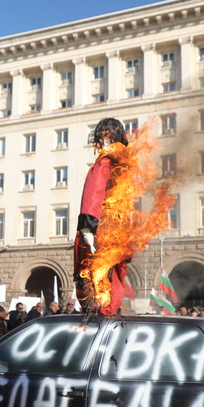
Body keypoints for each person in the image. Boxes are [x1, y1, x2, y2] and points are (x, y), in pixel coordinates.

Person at [74, 117, 134, 314]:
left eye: (101, 137)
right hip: (115, 235)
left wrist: (87, 228)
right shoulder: (123, 168)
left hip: (99, 232)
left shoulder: (104, 164)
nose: (99, 142)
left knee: (94, 280)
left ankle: (98, 315)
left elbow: (94, 193)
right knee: (110, 279)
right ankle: (106, 311)